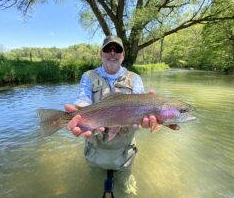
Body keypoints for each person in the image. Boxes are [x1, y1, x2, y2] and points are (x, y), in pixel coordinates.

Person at [64, 35, 179, 195]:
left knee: (127, 190)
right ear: (101, 53)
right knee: (94, 186)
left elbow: (142, 110)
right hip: (94, 149)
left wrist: (151, 114)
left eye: (117, 49)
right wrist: (77, 117)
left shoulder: (135, 78)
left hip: (125, 153)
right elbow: (83, 102)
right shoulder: (88, 76)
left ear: (123, 55)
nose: (112, 53)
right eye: (108, 49)